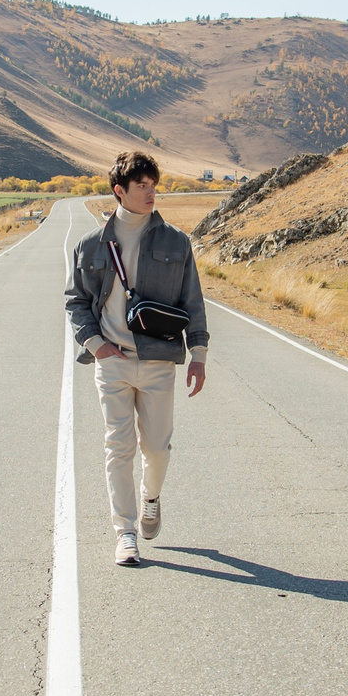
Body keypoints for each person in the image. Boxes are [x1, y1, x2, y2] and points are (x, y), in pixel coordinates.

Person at [64, 150, 208, 566]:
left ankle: (151, 497)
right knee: (118, 446)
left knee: (157, 448)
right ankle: (124, 532)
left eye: (153, 185)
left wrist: (198, 355)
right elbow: (76, 301)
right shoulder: (92, 245)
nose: (151, 193)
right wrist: (96, 345)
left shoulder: (176, 242)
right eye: (141, 186)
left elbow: (192, 301)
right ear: (119, 192)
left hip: (160, 361)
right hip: (112, 362)